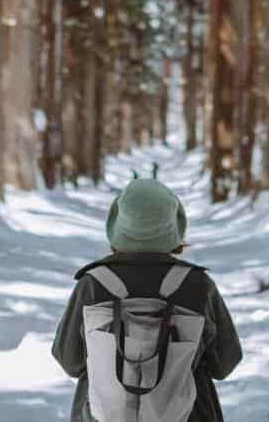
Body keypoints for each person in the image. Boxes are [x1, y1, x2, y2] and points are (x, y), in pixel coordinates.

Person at [52, 179, 242, 421]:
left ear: (117, 227)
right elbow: (225, 363)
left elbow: (70, 360)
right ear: (175, 227)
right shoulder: (198, 285)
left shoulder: (92, 284)